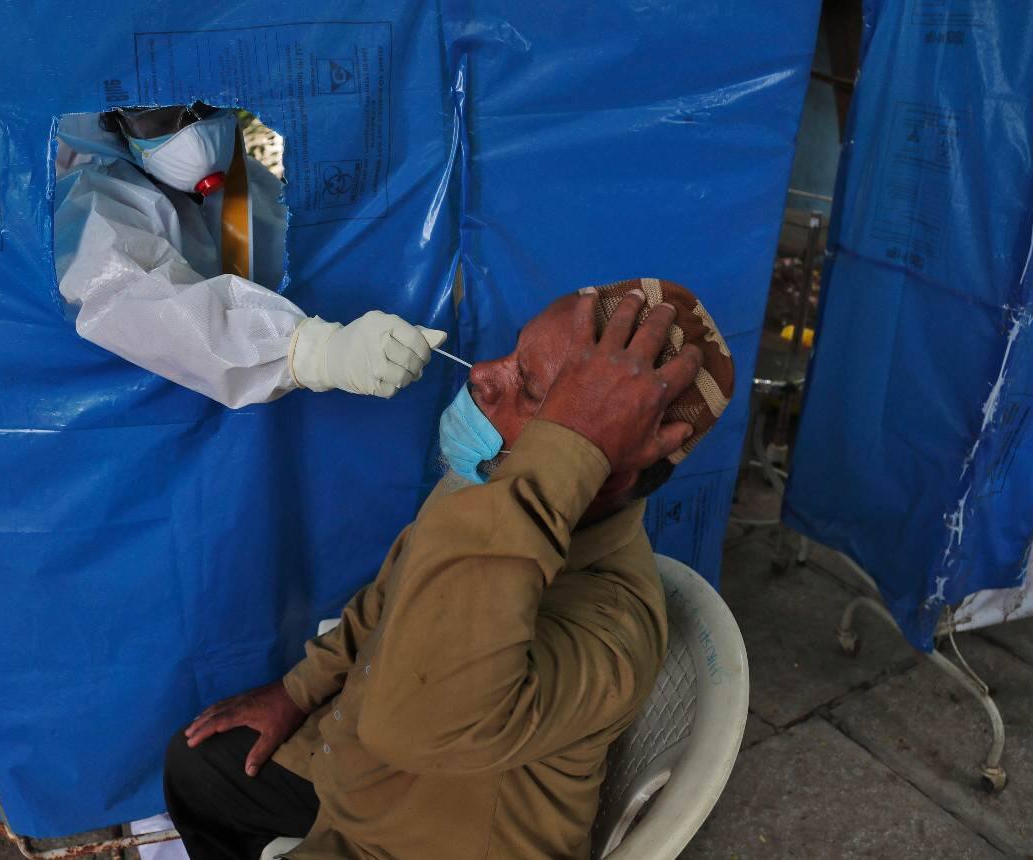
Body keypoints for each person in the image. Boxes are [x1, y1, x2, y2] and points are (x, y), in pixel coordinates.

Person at [160, 278, 735, 859]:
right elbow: (391, 596)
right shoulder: (495, 485)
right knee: (200, 770)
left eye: (534, 390)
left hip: (417, 841)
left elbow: (410, 724)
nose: (483, 373)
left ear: (604, 460)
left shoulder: (610, 627)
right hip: (363, 782)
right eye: (513, 353)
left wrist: (567, 451)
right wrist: (296, 690)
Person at [54, 103, 445, 408]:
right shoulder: (93, 202)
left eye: (202, 104)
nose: (190, 127)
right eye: (158, 116)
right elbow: (136, 303)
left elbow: (301, 271)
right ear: (112, 122)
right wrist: (316, 352)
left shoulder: (247, 185)